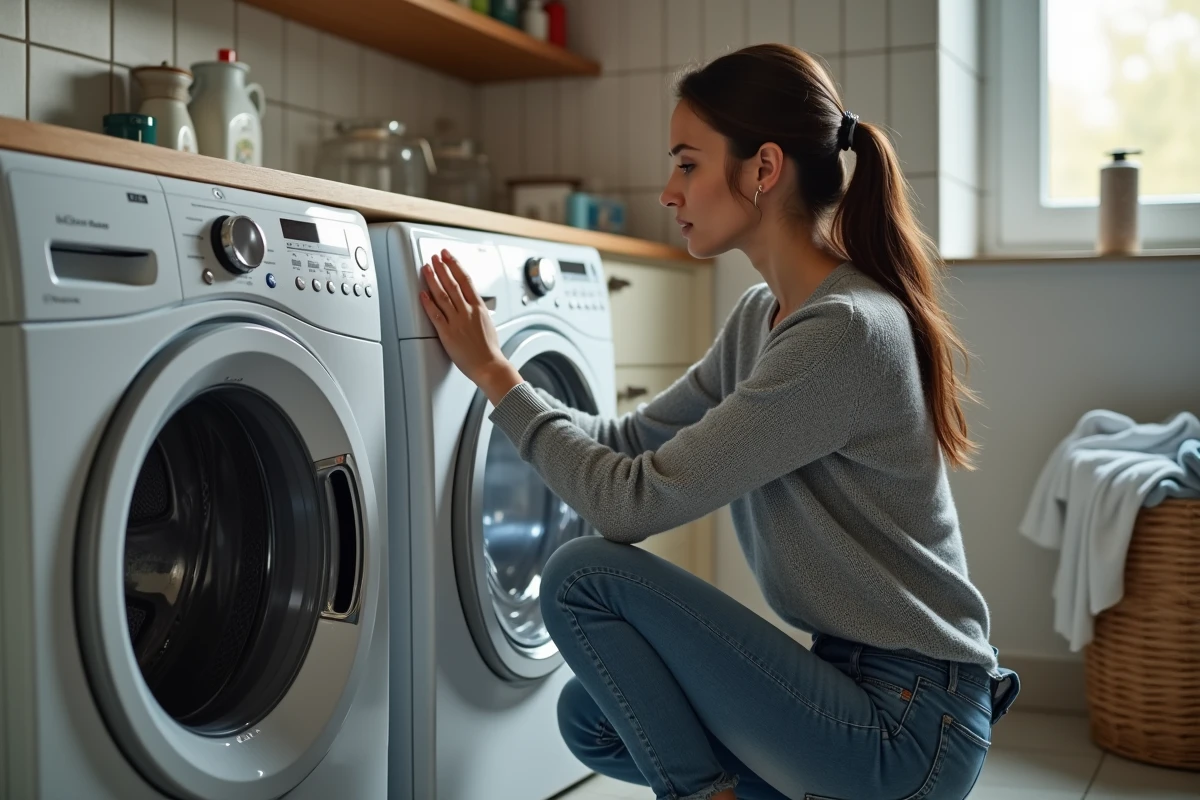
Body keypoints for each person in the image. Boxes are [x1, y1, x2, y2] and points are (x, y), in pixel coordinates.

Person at [417, 43, 1020, 800]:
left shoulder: (844, 331)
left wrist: (496, 376)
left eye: (687, 163)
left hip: (910, 727)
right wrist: (493, 385)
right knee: (590, 717)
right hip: (853, 682)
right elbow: (627, 445)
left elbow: (624, 504)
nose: (669, 191)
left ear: (764, 169)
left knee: (580, 577)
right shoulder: (760, 319)